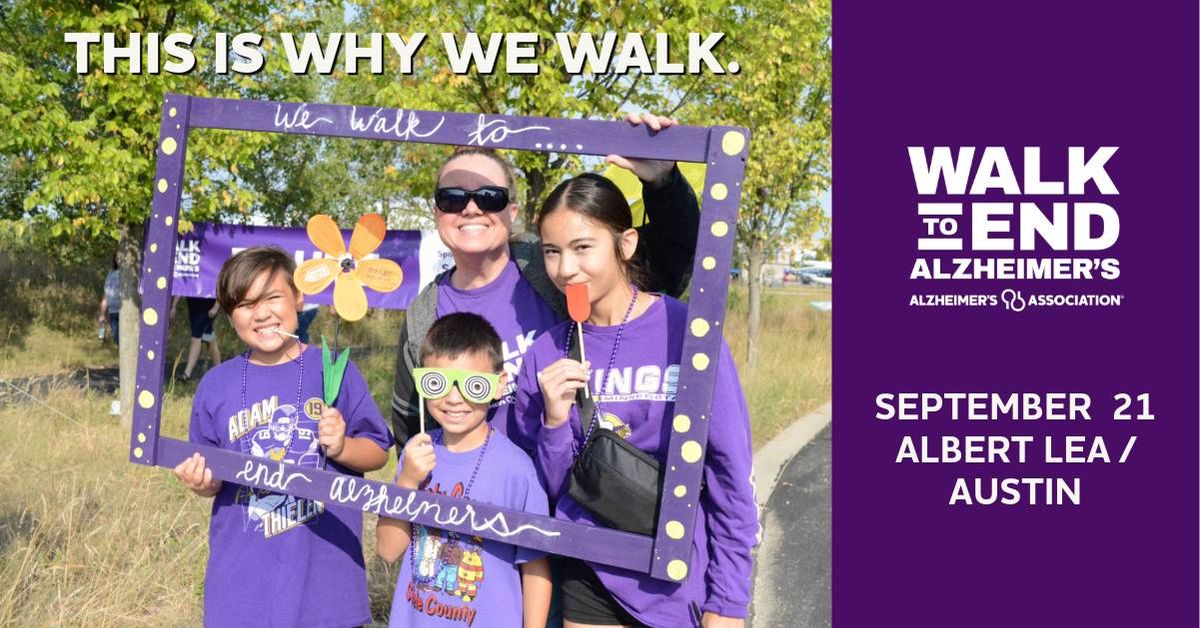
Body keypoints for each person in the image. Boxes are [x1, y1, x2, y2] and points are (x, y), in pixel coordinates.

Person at [514, 174, 758, 627]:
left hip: (680, 576)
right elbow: (549, 491)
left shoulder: (688, 332)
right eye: (552, 251)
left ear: (625, 244)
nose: (566, 268)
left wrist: (727, 602)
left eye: (583, 247)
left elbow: (729, 475)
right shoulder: (547, 351)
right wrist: (553, 419)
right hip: (590, 575)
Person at [391, 114, 701, 448]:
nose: (470, 209)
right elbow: (411, 428)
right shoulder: (423, 314)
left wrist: (663, 183)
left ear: (512, 211)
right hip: (480, 496)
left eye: (489, 197)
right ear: (437, 213)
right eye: (452, 198)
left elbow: (672, 260)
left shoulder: (560, 264)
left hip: (571, 487)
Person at [173, 246, 393, 628]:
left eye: (273, 297)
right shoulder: (215, 385)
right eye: (244, 304)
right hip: (243, 588)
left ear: (298, 298)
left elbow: (376, 452)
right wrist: (201, 483)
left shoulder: (335, 371)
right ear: (229, 315)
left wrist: (341, 446)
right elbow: (210, 473)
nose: (261, 313)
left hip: (327, 585)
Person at [378, 312, 552, 627]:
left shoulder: (518, 471)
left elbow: (536, 568)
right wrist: (406, 482)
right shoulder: (416, 456)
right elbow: (389, 550)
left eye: (472, 385)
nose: (454, 398)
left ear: (499, 385)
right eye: (438, 383)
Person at [171, 295, 222, 381]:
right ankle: (220, 369)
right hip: (193, 307)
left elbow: (220, 289)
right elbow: (183, 285)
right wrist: (174, 306)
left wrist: (216, 307)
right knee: (208, 337)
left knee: (196, 338)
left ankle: (187, 374)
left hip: (207, 306)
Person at [98, 257, 120, 345]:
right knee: (116, 338)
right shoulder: (111, 273)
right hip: (113, 311)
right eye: (117, 257)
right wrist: (102, 314)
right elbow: (106, 294)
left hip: (124, 311)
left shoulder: (130, 273)